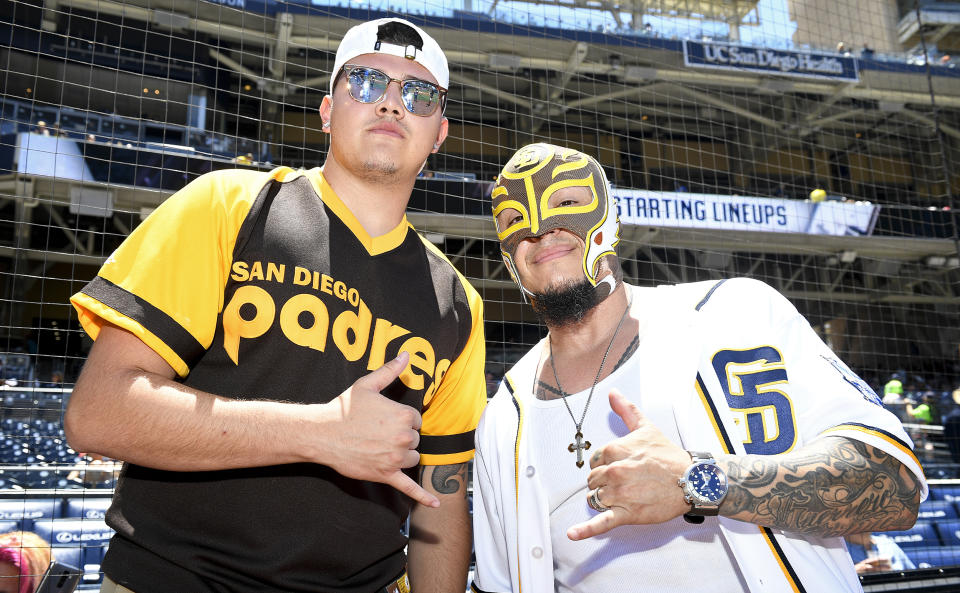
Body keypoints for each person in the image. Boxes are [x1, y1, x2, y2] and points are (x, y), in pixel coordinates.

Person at [65, 17, 486, 593]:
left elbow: (441, 492)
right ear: (327, 110)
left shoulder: (457, 302)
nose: (390, 104)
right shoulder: (228, 205)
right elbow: (98, 414)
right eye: (364, 82)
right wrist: (320, 432)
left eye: (417, 94)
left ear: (439, 132)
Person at [471, 143, 926, 592]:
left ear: (609, 219)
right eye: (514, 219)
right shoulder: (503, 420)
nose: (541, 228)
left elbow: (895, 485)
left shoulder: (736, 314)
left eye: (567, 202)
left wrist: (699, 482)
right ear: (506, 252)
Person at [845, 532, 915, 573]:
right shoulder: (836, 549)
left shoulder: (887, 542)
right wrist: (854, 573)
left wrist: (892, 576)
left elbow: (913, 575)